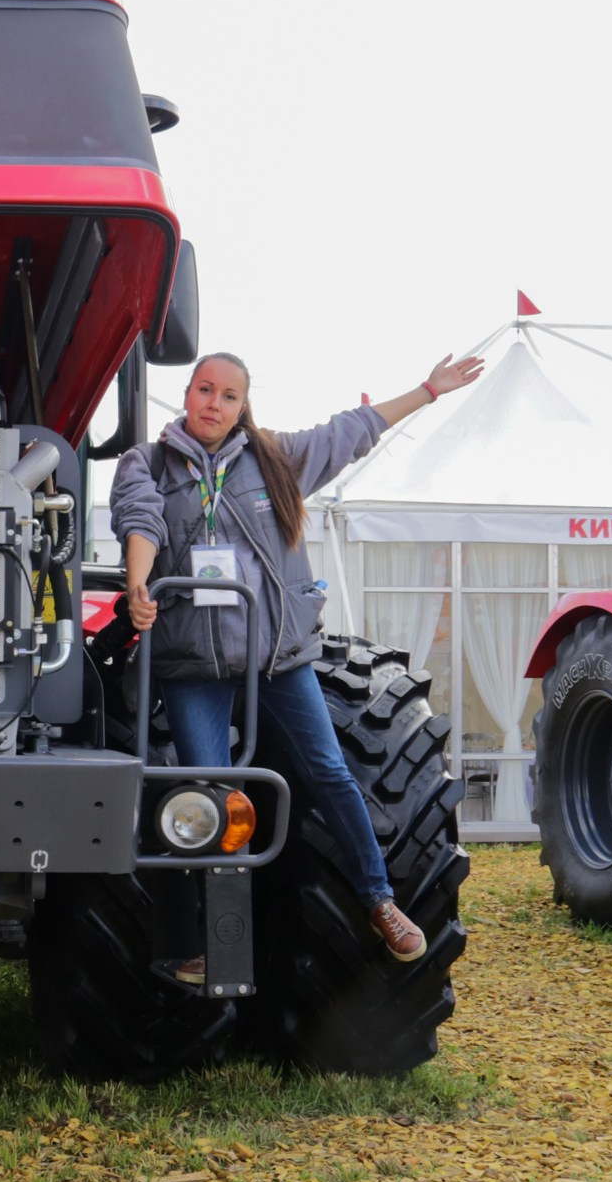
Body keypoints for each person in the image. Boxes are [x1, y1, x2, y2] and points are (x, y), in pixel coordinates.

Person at [109, 348, 483, 969]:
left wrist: (427, 390)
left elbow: (350, 433)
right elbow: (140, 520)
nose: (214, 403)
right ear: (187, 393)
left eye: (229, 396)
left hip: (278, 657)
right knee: (209, 793)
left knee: (330, 772)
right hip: (192, 666)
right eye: (205, 389)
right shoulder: (145, 462)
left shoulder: (272, 459)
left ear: (241, 406)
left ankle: (379, 899)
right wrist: (140, 585)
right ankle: (209, 937)